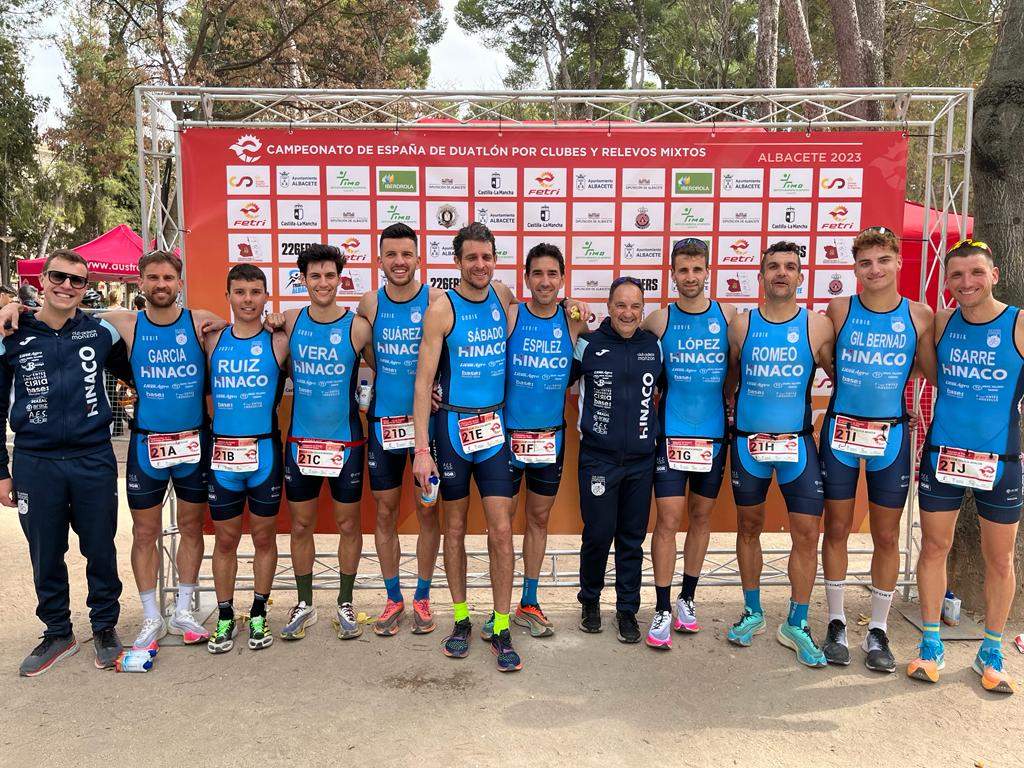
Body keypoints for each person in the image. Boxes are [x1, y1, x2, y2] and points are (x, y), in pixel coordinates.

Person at [0, 249, 130, 676]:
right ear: (42, 279)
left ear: (86, 288)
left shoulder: (99, 333)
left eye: (78, 280)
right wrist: (2, 470)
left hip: (92, 457)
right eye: (59, 277)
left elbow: (142, 375)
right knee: (45, 550)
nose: (67, 286)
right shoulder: (10, 333)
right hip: (35, 462)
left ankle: (105, 628)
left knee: (100, 547)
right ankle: (57, 631)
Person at [91, 251, 225, 651]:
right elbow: (66, 312)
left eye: (168, 277)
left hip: (193, 442)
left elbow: (246, 333)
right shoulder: (126, 323)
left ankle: (183, 609)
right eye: (153, 278)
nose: (161, 284)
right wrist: (12, 306)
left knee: (190, 526)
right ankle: (151, 615)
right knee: (145, 532)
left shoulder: (200, 322)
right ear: (141, 282)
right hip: (147, 444)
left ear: (179, 282)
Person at [909, 239, 1022, 695]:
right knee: (934, 547)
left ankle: (991, 649)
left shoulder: (1018, 323)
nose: (966, 283)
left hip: (1002, 460)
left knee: (1000, 558)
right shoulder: (941, 322)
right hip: (944, 454)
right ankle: (931, 642)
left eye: (976, 273)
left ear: (994, 275)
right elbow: (935, 377)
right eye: (956, 275)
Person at [819, 227, 935, 672]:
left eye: (883, 260)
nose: (874, 270)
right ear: (854, 268)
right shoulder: (839, 308)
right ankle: (835, 622)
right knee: (838, 528)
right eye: (865, 263)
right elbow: (826, 358)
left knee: (886, 535)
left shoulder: (920, 315)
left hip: (890, 435)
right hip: (842, 433)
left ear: (898, 263)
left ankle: (879, 630)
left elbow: (929, 371)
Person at [412, 222, 521, 671]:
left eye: (487, 257)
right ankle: (460, 618)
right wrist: (421, 449)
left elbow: (544, 307)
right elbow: (422, 384)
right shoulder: (442, 308)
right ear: (457, 261)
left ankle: (500, 624)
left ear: (495, 258)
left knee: (500, 530)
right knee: (453, 529)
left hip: (494, 430)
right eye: (471, 257)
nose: (480, 265)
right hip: (452, 430)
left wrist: (573, 308)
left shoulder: (502, 295)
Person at [726, 241, 834, 668]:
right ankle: (752, 610)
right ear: (761, 275)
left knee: (807, 533)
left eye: (790, 267)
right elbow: (729, 376)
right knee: (748, 526)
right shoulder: (741, 324)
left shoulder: (818, 325)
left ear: (801, 276)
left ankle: (797, 621)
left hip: (797, 444)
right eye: (773, 266)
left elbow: (841, 378)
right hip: (747, 443)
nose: (781, 273)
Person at [264, 244, 373, 642]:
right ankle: (305, 602)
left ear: (340, 278)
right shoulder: (290, 322)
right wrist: (271, 320)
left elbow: (390, 367)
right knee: (301, 525)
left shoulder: (358, 325)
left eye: (330, 276)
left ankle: (345, 601)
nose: (323, 283)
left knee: (348, 524)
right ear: (303, 280)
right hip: (301, 444)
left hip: (346, 445)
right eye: (315, 276)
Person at [643, 239, 735, 649]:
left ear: (707, 272)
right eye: (683, 270)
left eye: (697, 270)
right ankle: (662, 606)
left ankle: (687, 600)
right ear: (673, 273)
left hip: (713, 437)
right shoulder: (658, 320)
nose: (691, 277)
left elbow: (735, 373)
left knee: (700, 520)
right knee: (666, 522)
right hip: (671, 437)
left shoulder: (727, 316)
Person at [495, 243, 588, 639]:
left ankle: (528, 601)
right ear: (527, 278)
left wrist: (576, 308)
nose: (545, 281)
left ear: (562, 279)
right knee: (501, 526)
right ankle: (498, 607)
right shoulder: (512, 314)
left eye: (553, 274)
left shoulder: (573, 322)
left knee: (538, 520)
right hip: (507, 438)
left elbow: (579, 366)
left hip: (551, 438)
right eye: (537, 274)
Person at [358, 224, 444, 637]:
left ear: (418, 259)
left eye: (406, 254)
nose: (399, 262)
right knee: (385, 511)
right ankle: (394, 598)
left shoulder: (437, 300)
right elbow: (366, 351)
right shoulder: (369, 304)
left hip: (427, 428)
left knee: (429, 511)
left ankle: (423, 596)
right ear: (380, 260)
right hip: (384, 424)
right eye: (391, 255)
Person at [575, 276, 663, 644]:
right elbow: (554, 382)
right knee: (597, 535)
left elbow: (670, 390)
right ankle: (590, 602)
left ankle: (627, 610)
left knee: (632, 539)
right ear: (609, 308)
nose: (628, 313)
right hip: (598, 459)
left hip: (642, 461)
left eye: (635, 306)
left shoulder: (654, 346)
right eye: (621, 305)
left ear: (643, 311)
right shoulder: (588, 345)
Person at [205, 264, 288, 654]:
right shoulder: (212, 338)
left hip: (264, 453)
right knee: (225, 540)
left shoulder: (279, 340)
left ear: (266, 296)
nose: (248, 300)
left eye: (256, 292)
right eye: (240, 292)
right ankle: (224, 616)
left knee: (263, 537)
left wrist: (280, 320)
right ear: (228, 297)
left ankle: (258, 612)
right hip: (222, 456)